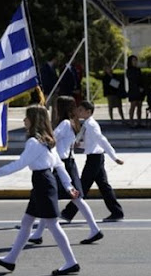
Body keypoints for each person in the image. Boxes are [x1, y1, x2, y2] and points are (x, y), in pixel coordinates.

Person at [0, 105, 81, 275]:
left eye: (26, 117)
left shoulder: (34, 142)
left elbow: (18, 164)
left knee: (53, 224)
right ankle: (11, 259)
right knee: (27, 222)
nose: (23, 121)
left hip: (43, 183)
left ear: (34, 120)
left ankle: (71, 262)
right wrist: (68, 186)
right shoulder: (47, 140)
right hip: (43, 183)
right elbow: (59, 166)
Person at [28, 96, 103, 245]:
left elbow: (51, 139)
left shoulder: (64, 123)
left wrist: (39, 129)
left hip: (61, 165)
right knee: (58, 198)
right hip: (68, 163)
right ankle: (38, 234)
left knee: (53, 198)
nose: (55, 109)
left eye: (56, 106)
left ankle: (94, 229)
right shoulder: (72, 123)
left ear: (60, 108)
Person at [60, 101, 125, 223]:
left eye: (80, 110)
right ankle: (117, 212)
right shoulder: (87, 124)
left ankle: (68, 213)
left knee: (83, 185)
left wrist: (114, 157)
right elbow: (90, 142)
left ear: (88, 112)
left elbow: (102, 140)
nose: (78, 112)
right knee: (103, 186)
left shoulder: (92, 125)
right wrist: (79, 144)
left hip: (95, 158)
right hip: (94, 157)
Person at [126, 55, 144, 128]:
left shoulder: (138, 69)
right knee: (133, 105)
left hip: (139, 90)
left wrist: (141, 87)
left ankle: (139, 121)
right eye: (133, 60)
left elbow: (141, 79)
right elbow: (131, 80)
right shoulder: (129, 70)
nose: (135, 62)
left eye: (136, 60)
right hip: (133, 89)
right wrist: (137, 87)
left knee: (139, 105)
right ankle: (131, 121)